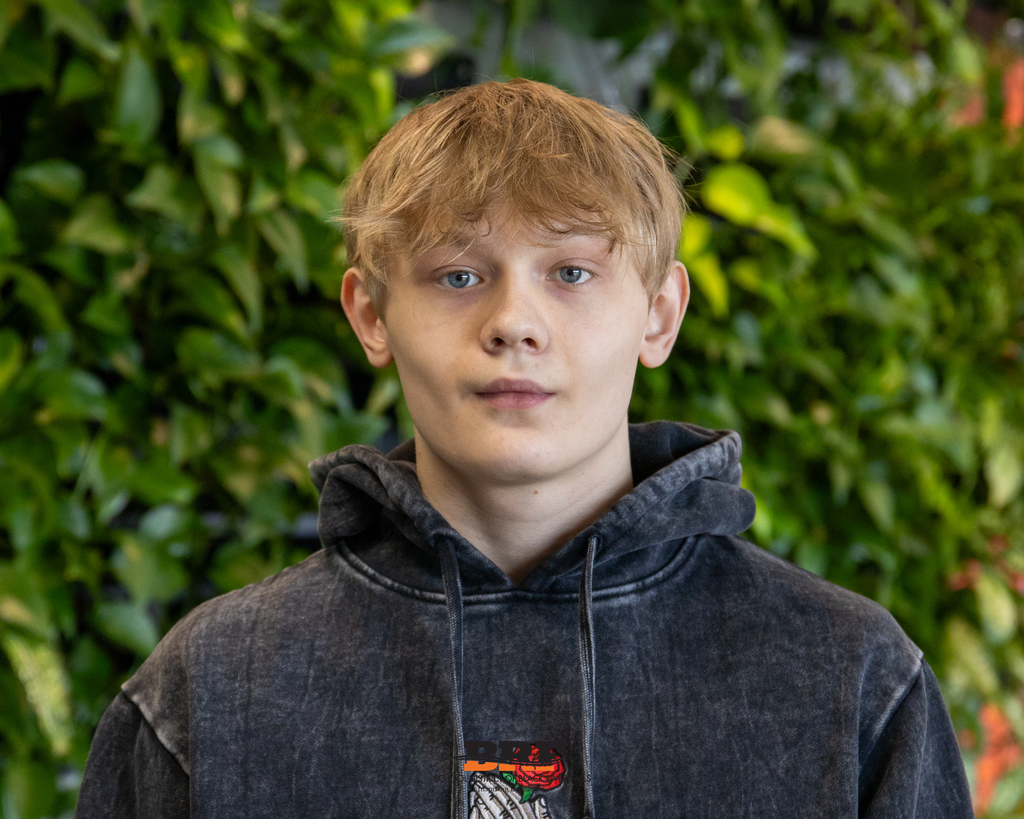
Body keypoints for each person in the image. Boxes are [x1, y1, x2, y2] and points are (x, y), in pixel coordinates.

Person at [75, 78, 974, 819]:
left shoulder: (850, 679)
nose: (513, 322)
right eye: (459, 275)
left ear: (659, 313)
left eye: (571, 272)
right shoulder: (210, 690)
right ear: (369, 314)